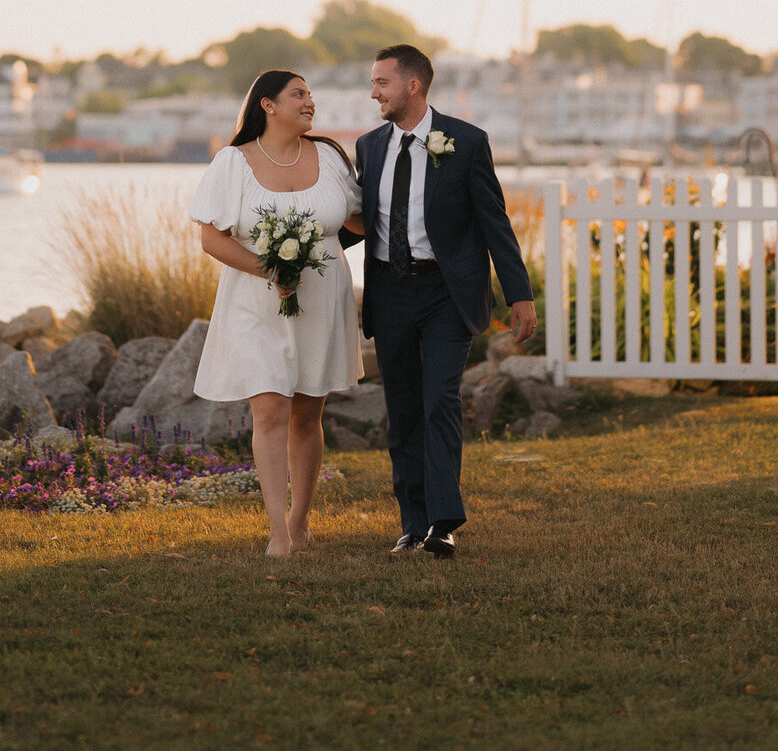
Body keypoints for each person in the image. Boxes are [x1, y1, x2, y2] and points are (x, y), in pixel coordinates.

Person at [358, 43, 536, 558]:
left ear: (412, 85)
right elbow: (358, 221)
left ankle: (443, 523)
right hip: (389, 291)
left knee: (440, 401)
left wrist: (518, 293)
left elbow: (493, 222)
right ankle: (411, 523)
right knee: (404, 411)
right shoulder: (370, 147)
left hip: (445, 293)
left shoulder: (466, 141)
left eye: (381, 83)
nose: (374, 93)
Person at [190, 70, 364, 557]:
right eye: (299, 94)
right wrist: (272, 269)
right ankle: (277, 535)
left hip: (322, 299)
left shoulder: (329, 156)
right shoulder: (233, 162)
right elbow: (211, 238)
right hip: (255, 301)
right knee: (269, 409)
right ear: (267, 105)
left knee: (307, 414)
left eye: (310, 95)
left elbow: (358, 218)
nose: (310, 102)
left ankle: (300, 521)